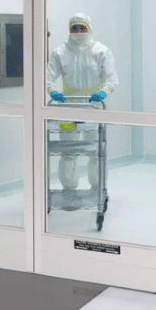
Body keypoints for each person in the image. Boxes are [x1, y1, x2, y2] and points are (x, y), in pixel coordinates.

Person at [46, 13, 119, 201]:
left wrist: (103, 93)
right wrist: (52, 91)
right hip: (69, 109)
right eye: (74, 28)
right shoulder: (60, 52)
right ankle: (69, 190)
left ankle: (97, 188)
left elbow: (112, 79)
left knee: (95, 150)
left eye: (82, 28)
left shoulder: (101, 51)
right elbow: (47, 78)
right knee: (68, 150)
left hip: (93, 108)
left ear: (89, 29)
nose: (78, 32)